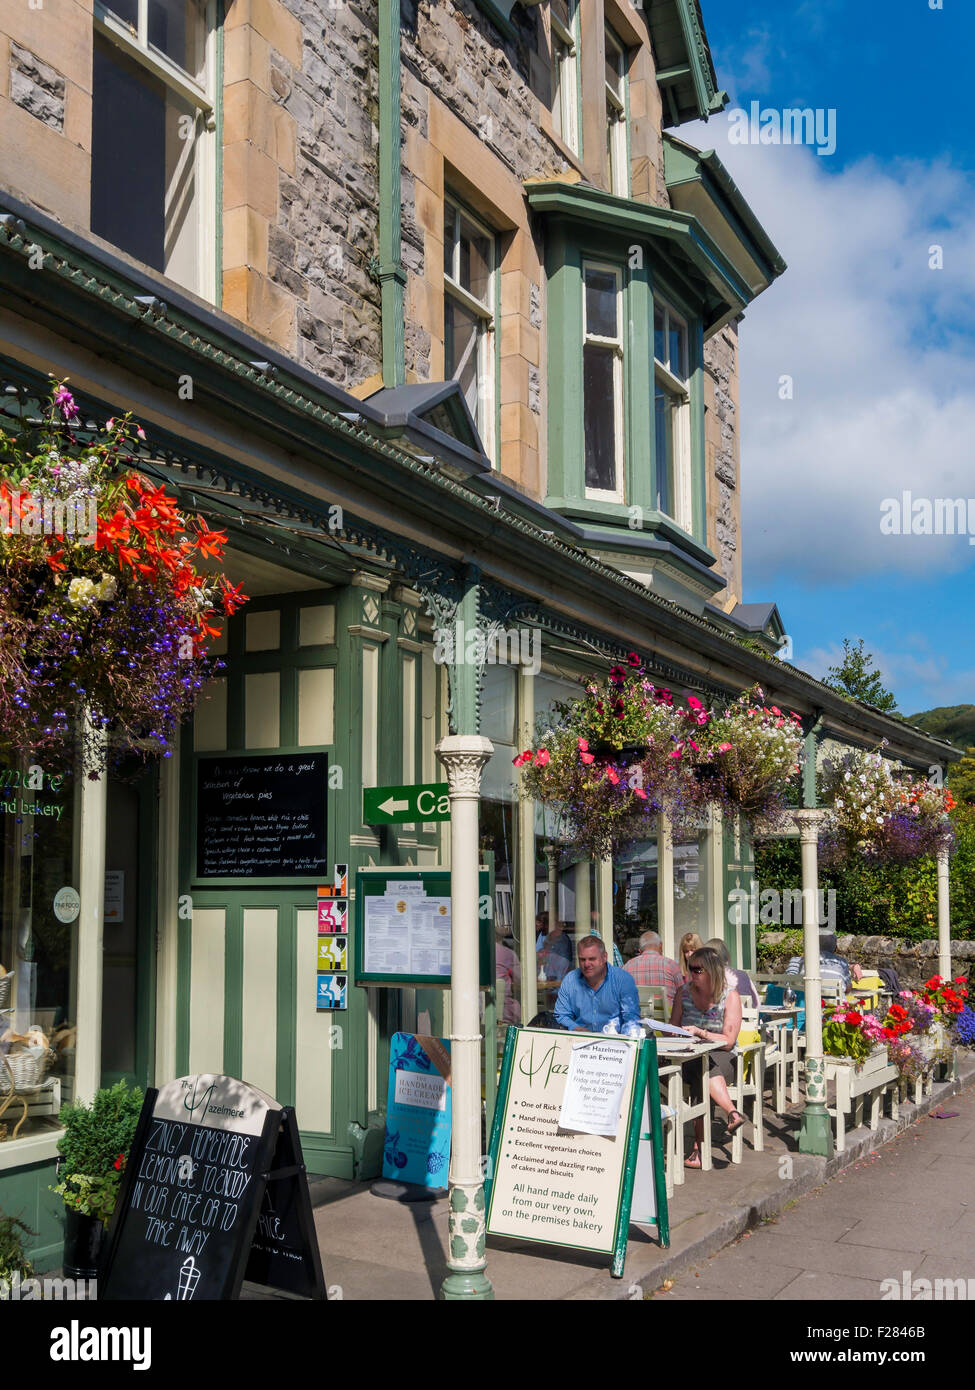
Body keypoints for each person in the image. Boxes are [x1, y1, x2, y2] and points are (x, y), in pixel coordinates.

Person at [670, 946, 745, 1167]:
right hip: (690, 1054)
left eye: (697, 970)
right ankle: (731, 1112)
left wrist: (701, 1033)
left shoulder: (729, 996)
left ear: (712, 971)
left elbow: (728, 1040)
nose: (692, 974)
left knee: (702, 1070)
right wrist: (676, 1032)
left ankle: (699, 1149)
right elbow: (672, 1026)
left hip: (723, 1056)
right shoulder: (683, 993)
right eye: (690, 968)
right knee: (697, 1067)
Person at [554, 936, 640, 1033]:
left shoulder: (622, 979)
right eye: (582, 959)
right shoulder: (570, 980)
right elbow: (561, 1015)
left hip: (614, 1042)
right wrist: (575, 1028)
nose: (586, 964)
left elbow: (631, 1020)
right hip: (579, 1040)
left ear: (604, 957)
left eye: (592, 959)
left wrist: (623, 1043)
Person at [785, 931, 862, 993]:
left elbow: (788, 984)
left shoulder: (797, 961)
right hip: (835, 1009)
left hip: (805, 1007)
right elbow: (848, 989)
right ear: (835, 947)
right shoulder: (841, 962)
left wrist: (854, 966)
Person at [624, 930, 683, 1008]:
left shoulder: (628, 966)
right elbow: (683, 995)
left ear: (640, 950)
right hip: (667, 1018)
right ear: (661, 946)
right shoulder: (671, 965)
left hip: (637, 1017)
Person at [705, 937, 759, 1008]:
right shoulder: (743, 975)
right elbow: (756, 1002)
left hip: (723, 1017)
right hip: (748, 1017)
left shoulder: (709, 977)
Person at [494, 922, 521, 1024]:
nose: (507, 924)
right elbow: (521, 979)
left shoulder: (476, 950)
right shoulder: (508, 953)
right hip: (503, 1010)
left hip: (478, 1007)